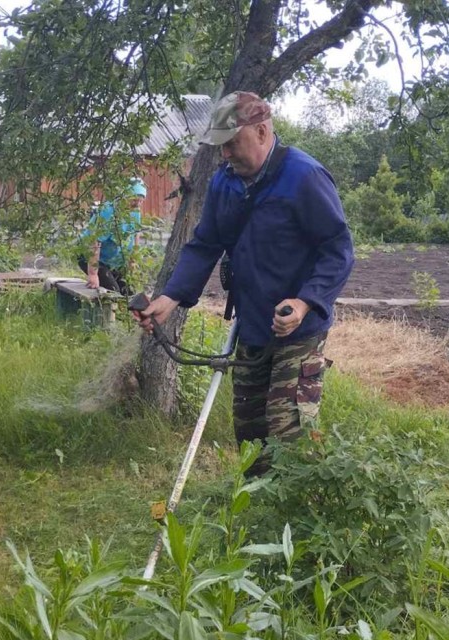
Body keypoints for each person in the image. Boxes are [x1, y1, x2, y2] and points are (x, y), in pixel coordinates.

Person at [132, 91, 354, 467]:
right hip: (251, 325)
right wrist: (169, 299)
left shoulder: (304, 177)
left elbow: (338, 249)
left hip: (298, 329)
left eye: (233, 144)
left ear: (263, 133)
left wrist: (304, 302)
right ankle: (256, 517)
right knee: (250, 435)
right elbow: (205, 244)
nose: (226, 155)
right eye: (222, 147)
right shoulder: (225, 183)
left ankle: (298, 520)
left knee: (290, 434)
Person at [79, 177, 147, 295]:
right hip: (92, 257)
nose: (137, 204)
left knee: (128, 291)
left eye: (140, 201)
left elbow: (135, 235)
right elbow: (95, 242)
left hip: (113, 261)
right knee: (113, 290)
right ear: (124, 196)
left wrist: (132, 262)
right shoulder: (108, 212)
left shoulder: (135, 212)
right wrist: (93, 274)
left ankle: (124, 314)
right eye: (134, 200)